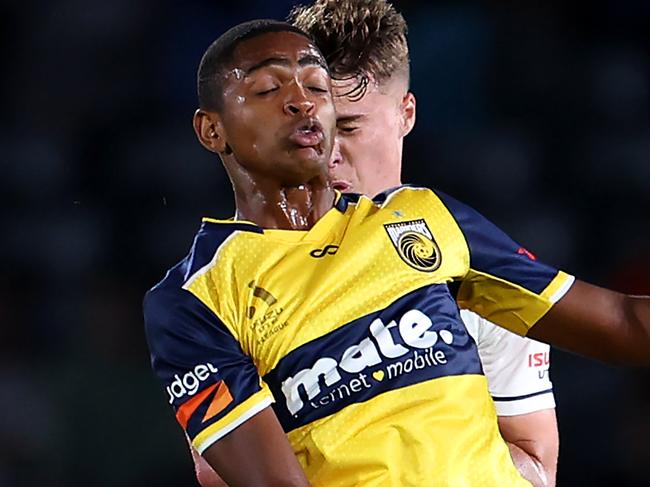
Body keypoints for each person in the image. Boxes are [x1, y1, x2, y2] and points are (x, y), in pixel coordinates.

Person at [143, 19, 649, 487]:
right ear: (212, 129)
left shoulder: (423, 217)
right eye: (270, 89)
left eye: (317, 89)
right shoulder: (193, 299)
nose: (302, 102)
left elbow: (622, 322)